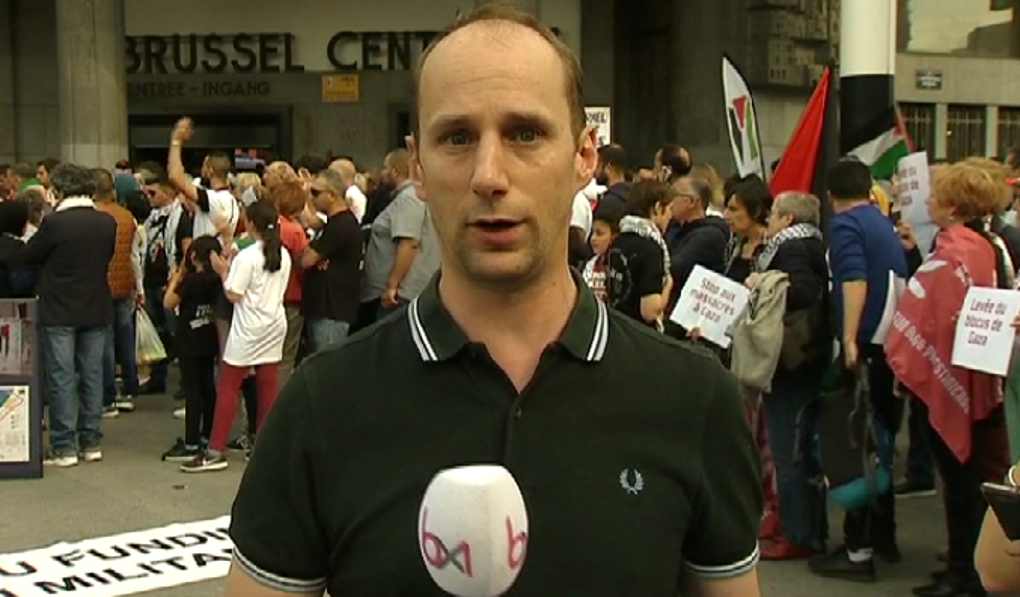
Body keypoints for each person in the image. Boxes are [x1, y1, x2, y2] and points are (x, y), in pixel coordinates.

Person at [224, 5, 763, 596]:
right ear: (420, 166)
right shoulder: (321, 407)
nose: (489, 174)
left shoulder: (694, 400)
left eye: (525, 133)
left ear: (585, 154)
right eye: (457, 137)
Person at [887, 162, 1012, 597]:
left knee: (963, 485)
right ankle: (965, 566)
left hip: (954, 378)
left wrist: (907, 357)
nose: (927, 201)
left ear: (954, 206)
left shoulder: (957, 250)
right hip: (976, 376)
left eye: (935, 195)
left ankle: (967, 576)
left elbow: (932, 318)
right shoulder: (985, 243)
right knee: (966, 483)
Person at [810, 159, 909, 582]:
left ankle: (858, 550)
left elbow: (853, 280)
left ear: (831, 197)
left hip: (866, 345)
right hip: (890, 344)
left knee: (856, 445)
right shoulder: (880, 222)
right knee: (880, 442)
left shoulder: (847, 226)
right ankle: (883, 537)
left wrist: (848, 338)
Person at [182, 200, 291, 473]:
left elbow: (233, 293)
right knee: (268, 386)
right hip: (274, 323)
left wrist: (223, 272)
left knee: (229, 385)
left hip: (248, 327)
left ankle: (215, 449)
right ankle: (264, 446)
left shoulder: (248, 256)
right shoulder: (283, 253)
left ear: (251, 223)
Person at [750, 192, 830, 561]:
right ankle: (802, 526)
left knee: (788, 448)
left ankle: (797, 531)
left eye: (774, 215)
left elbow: (802, 291)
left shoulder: (792, 248)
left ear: (786, 219)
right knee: (801, 447)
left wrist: (764, 283)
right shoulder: (812, 244)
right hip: (809, 358)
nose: (768, 222)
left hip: (792, 359)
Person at [22, 163, 116, 467]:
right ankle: (92, 441)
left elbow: (30, 256)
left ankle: (64, 446)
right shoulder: (107, 222)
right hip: (96, 304)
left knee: (62, 377)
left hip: (59, 307)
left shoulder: (55, 224)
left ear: (57, 190)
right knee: (92, 375)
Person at [161, 236, 223, 462]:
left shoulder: (190, 281)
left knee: (192, 391)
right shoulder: (216, 280)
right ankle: (207, 434)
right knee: (208, 387)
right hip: (209, 337)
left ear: (194, 256)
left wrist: (177, 277)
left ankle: (190, 441)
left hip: (189, 339)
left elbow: (169, 302)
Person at [604, 179, 674, 328]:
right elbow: (650, 311)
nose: (670, 216)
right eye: (669, 208)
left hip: (615, 325)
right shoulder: (651, 249)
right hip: (637, 335)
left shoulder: (618, 240)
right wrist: (668, 286)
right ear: (657, 207)